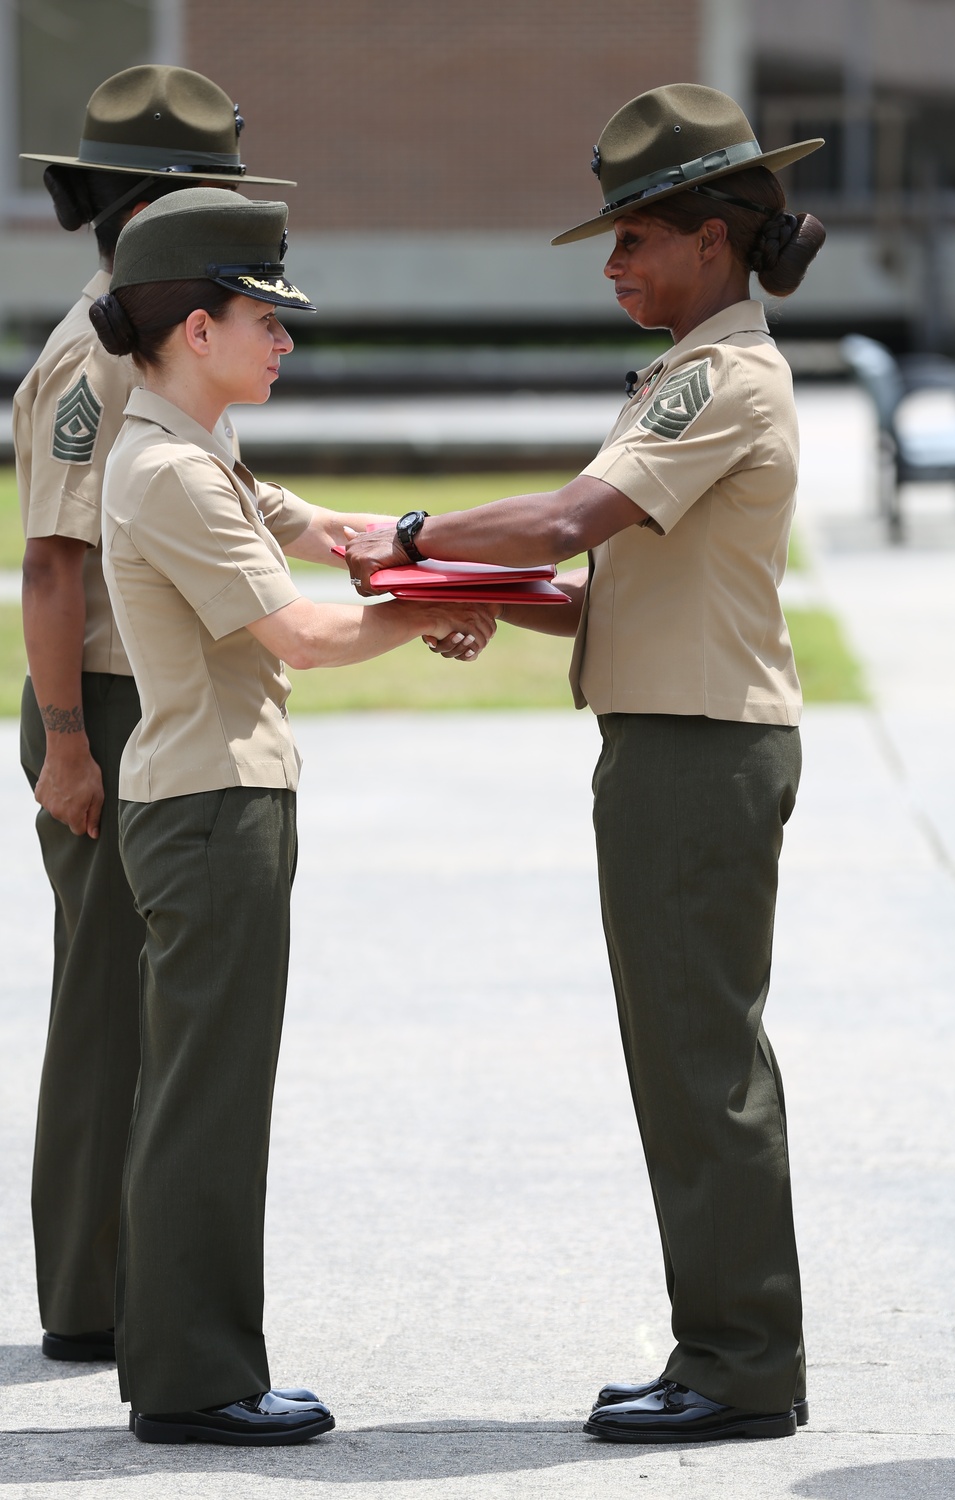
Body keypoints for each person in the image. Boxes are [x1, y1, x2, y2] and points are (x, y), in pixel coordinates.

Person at [346, 83, 826, 1445]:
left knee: (699, 1065)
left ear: (717, 241)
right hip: (677, 741)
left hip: (698, 753)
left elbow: (568, 520)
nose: (616, 265)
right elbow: (613, 565)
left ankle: (739, 1366)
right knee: (685, 1060)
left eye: (635, 238)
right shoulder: (695, 371)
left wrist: (408, 530)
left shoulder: (720, 377)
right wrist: (465, 593)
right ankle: (726, 1348)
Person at [92, 186, 494, 1444]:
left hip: (213, 803)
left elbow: (323, 534)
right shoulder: (169, 472)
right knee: (207, 1100)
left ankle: (190, 1363)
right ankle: (198, 1381)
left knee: (200, 1091)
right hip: (211, 809)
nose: (284, 339)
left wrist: (418, 554)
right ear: (194, 330)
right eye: (263, 316)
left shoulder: (197, 452)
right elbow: (306, 637)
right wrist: (428, 610)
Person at [15, 64, 298, 1366]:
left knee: (138, 1002)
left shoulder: (149, 327)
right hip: (108, 704)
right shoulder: (92, 354)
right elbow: (53, 563)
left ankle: (115, 1280)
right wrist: (69, 744)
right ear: (147, 198)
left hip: (142, 696)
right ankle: (87, 1294)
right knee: (105, 1007)